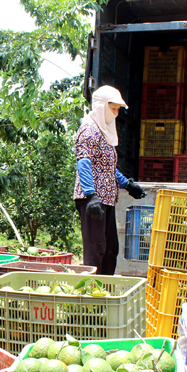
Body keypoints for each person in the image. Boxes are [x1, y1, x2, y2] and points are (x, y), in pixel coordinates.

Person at [74, 85, 146, 274]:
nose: (116, 114)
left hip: (107, 198)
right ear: (102, 106)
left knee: (110, 249)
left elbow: (107, 168)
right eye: (113, 108)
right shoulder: (89, 130)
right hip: (94, 199)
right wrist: (91, 195)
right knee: (95, 250)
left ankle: (105, 291)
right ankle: (91, 296)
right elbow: (84, 162)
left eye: (117, 110)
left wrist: (127, 184)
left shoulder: (104, 132)